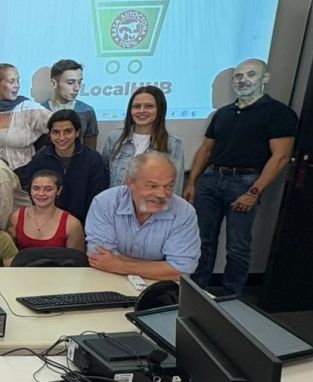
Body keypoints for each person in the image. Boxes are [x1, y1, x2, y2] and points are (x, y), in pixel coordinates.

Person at [184, 59, 296, 294]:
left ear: (265, 78)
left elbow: (281, 157)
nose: (243, 80)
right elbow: (206, 149)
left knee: (237, 246)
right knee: (202, 240)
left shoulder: (278, 113)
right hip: (211, 180)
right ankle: (196, 292)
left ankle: (231, 297)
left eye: (251, 74)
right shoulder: (223, 113)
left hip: (245, 183)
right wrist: (192, 182)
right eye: (238, 76)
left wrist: (254, 192)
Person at [86, 153, 200, 281]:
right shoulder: (105, 203)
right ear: (130, 183)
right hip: (110, 279)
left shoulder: (184, 213)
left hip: (159, 286)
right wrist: (161, 267)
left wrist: (120, 265)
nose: (162, 194)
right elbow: (99, 258)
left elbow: (182, 270)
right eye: (152, 186)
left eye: (168, 186)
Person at [18, 110, 110, 222]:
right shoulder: (40, 159)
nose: (61, 137)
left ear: (77, 132)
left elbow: (98, 196)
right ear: (50, 134)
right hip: (48, 222)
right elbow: (30, 189)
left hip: (85, 222)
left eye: (67, 131)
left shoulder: (93, 159)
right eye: (56, 132)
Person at [102, 86, 185, 192]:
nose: (141, 111)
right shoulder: (114, 138)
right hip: (116, 201)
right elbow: (103, 177)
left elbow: (174, 188)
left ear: (160, 109)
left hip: (153, 202)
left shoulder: (172, 144)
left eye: (149, 106)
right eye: (136, 106)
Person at [0, 63, 51, 170]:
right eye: (11, 81)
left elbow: (57, 123)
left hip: (26, 173)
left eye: (18, 80)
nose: (17, 85)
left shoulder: (27, 108)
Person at [7, 170, 85, 251]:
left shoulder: (72, 224)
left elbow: (76, 257)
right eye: (36, 188)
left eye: (48, 189)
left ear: (59, 190)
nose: (41, 193)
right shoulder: (16, 217)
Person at [39, 59, 99, 149]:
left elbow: (91, 150)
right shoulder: (39, 111)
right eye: (70, 83)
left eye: (79, 82)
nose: (77, 88)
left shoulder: (87, 111)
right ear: (54, 83)